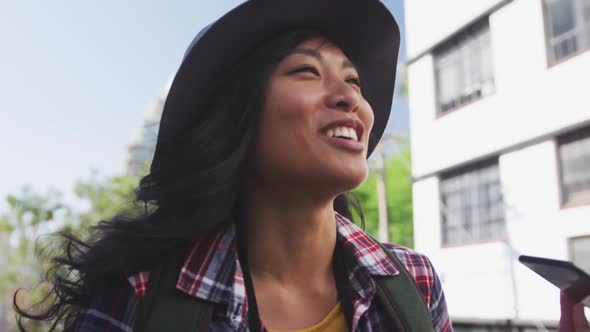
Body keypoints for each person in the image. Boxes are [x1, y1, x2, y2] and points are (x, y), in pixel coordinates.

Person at [15, 1, 454, 331]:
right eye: (306, 71)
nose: (350, 97)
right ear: (239, 117)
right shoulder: (139, 293)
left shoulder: (416, 285)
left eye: (353, 80)